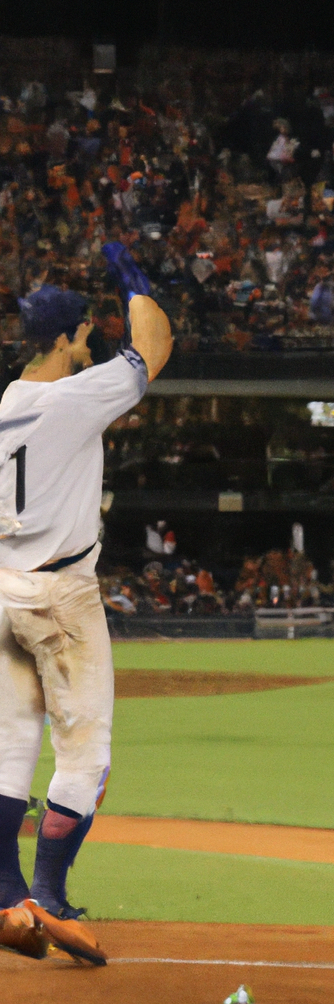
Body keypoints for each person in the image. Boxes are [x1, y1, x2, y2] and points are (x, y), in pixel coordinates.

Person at [0, 242, 172, 965]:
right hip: (61, 596)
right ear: (67, 338)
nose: (90, 343)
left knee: (10, 746)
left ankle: (8, 897)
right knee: (85, 756)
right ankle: (49, 891)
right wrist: (137, 284)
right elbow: (154, 347)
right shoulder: (74, 395)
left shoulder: (8, 397)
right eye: (84, 334)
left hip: (3, 587)